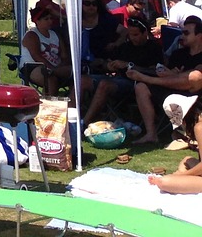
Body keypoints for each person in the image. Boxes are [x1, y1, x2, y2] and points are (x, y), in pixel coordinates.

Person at [83, 15, 164, 142]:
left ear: (145, 33)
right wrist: (109, 65)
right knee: (83, 80)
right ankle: (70, 119)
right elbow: (107, 63)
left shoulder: (153, 48)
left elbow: (155, 71)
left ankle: (84, 124)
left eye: (136, 35)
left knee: (105, 84)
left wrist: (129, 65)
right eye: (130, 35)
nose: (132, 38)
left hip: (137, 83)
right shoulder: (125, 47)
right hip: (119, 78)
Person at [128, 16, 202, 144]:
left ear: (199, 36)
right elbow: (167, 72)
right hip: (171, 89)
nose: (182, 36)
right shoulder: (178, 54)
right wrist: (169, 74)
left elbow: (193, 78)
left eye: (186, 33)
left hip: (194, 95)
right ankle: (151, 134)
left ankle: (147, 79)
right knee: (141, 87)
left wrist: (174, 75)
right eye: (181, 32)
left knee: (195, 76)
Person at [149, 96, 202, 193]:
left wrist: (182, 176)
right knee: (187, 160)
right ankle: (181, 179)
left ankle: (179, 179)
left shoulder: (199, 127)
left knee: (164, 182)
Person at [19, 5, 73, 99]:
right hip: (33, 66)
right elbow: (37, 56)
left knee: (76, 76)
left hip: (56, 67)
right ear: (37, 21)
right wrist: (53, 69)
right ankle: (47, 107)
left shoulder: (55, 35)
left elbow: (64, 55)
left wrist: (61, 66)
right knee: (50, 79)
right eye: (46, 19)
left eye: (51, 18)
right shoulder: (31, 35)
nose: (50, 21)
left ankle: (74, 106)